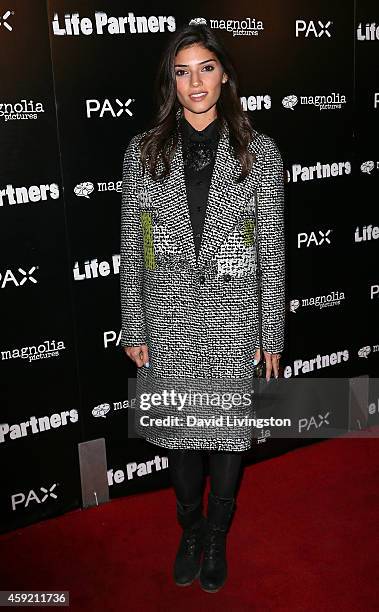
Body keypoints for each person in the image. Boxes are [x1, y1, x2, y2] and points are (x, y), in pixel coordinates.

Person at [120, 20, 285, 593]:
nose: (196, 82)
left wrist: (271, 334)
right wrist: (132, 321)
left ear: (224, 76)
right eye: (183, 70)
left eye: (206, 68)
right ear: (171, 79)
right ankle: (190, 525)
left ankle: (217, 533)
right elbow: (134, 247)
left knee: (225, 439)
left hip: (235, 318)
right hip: (166, 319)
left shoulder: (258, 152)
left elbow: (271, 251)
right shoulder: (142, 153)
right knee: (183, 439)